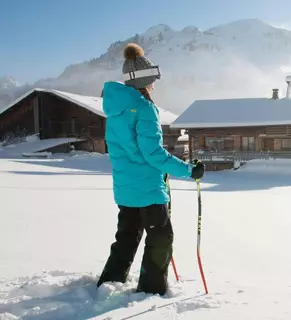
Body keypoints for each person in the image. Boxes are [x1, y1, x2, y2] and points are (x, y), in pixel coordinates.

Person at [96, 43, 204, 295]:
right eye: (152, 80)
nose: (154, 85)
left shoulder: (114, 110)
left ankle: (110, 282)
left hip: (125, 189)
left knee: (126, 238)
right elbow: (153, 153)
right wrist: (189, 170)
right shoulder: (144, 109)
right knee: (160, 239)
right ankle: (150, 289)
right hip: (148, 190)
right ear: (142, 81)